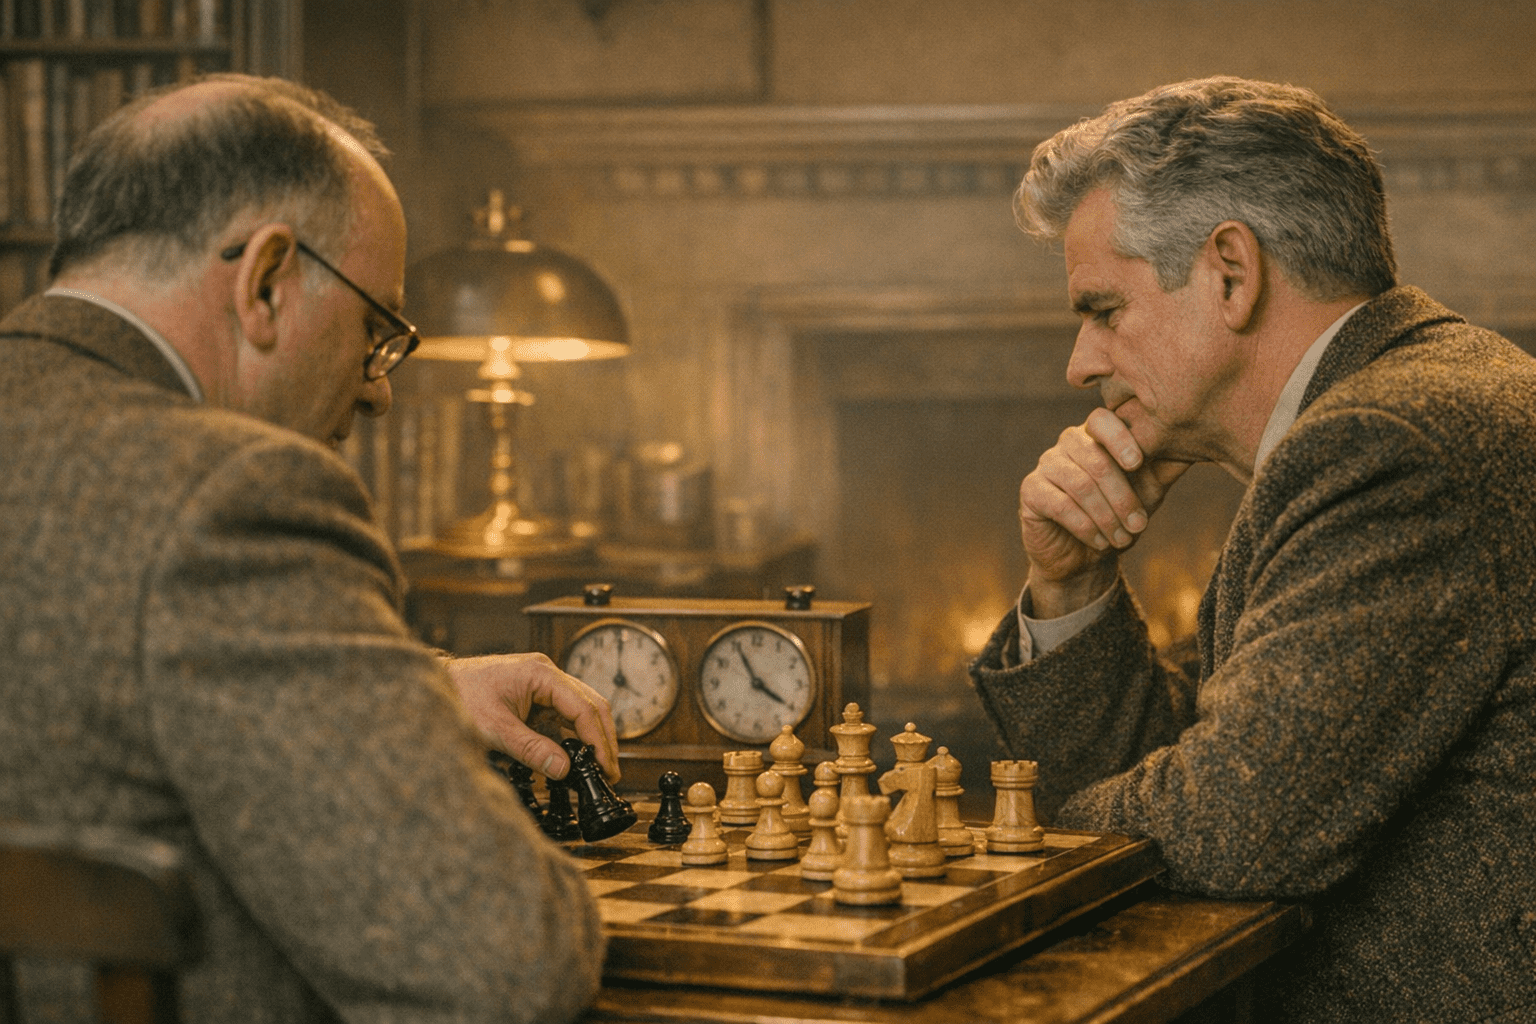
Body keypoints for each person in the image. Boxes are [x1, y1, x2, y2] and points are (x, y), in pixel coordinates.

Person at [0, 74, 621, 1023]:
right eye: (379, 331)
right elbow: (503, 968)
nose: (379, 394)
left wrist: (410, 691)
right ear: (266, 282)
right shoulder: (229, 495)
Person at [968, 77, 1536, 1022]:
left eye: (1104, 309)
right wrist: (1074, 584)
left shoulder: (1394, 440)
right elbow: (1215, 779)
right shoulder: (1390, 404)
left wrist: (1021, 835)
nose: (1081, 363)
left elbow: (1230, 829)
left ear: (1231, 271)